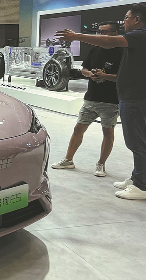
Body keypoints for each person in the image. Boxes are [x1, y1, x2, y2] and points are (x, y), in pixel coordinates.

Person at [55, 3, 146, 200]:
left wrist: (76, 36)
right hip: (138, 97)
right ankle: (136, 178)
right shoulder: (143, 38)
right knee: (138, 142)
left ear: (137, 19)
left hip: (137, 98)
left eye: (127, 18)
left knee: (137, 144)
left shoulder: (142, 35)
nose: (124, 22)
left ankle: (141, 186)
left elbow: (107, 42)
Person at [51, 21, 123, 177]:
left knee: (108, 132)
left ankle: (101, 164)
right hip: (91, 98)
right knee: (78, 129)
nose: (100, 35)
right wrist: (90, 74)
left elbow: (123, 77)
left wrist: (105, 76)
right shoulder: (95, 50)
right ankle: (68, 160)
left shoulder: (122, 53)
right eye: (99, 32)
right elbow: (84, 69)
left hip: (111, 100)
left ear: (115, 33)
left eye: (104, 32)